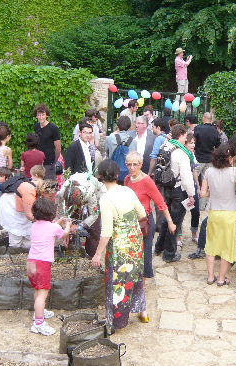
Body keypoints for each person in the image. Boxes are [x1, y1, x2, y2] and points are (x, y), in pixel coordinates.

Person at [92, 160, 148, 329]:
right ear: (117, 175)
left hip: (119, 247)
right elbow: (142, 213)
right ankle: (142, 311)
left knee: (118, 282)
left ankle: (118, 321)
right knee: (135, 276)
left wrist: (98, 253)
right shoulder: (127, 190)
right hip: (135, 242)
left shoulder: (106, 199)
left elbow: (107, 231)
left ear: (100, 176)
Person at [199, 144, 236, 286]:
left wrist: (213, 192)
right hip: (230, 213)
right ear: (231, 158)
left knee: (211, 244)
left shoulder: (209, 171)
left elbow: (203, 194)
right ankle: (221, 279)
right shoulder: (235, 172)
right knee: (226, 246)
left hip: (214, 212)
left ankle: (210, 276)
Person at [124, 151, 173, 283]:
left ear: (140, 165)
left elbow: (160, 202)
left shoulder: (147, 181)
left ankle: (143, 282)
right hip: (130, 221)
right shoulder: (127, 179)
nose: (132, 167)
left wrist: (169, 221)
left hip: (144, 221)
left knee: (145, 252)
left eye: (135, 164)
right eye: (129, 164)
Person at [28, 197, 71, 336]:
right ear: (51, 212)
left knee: (37, 290)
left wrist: (59, 222)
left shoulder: (34, 225)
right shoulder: (54, 227)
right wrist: (68, 225)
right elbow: (63, 233)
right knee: (43, 293)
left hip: (31, 263)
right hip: (42, 264)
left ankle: (38, 312)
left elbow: (50, 229)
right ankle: (38, 324)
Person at [154, 124, 195, 263]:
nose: (186, 139)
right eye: (185, 136)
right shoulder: (181, 153)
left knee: (167, 219)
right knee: (175, 222)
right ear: (181, 135)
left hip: (166, 187)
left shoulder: (166, 146)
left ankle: (159, 247)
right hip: (178, 189)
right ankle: (169, 253)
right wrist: (191, 194)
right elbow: (186, 177)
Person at [0, 165, 44, 249]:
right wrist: (44, 222)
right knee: (15, 242)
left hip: (21, 208)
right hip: (11, 207)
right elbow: (29, 215)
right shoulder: (29, 189)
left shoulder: (41, 186)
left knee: (28, 240)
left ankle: (21, 244)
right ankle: (13, 247)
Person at [33, 104, 61, 181]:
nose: (41, 117)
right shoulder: (36, 127)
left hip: (49, 162)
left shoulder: (53, 128)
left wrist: (53, 161)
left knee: (49, 185)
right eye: (39, 115)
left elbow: (58, 147)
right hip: (38, 161)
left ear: (47, 115)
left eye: (43, 115)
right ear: (36, 116)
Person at [193, 112, 220, 180]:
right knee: (206, 181)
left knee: (193, 179)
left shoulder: (197, 128)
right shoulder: (215, 131)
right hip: (209, 159)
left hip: (198, 158)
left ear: (203, 119)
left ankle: (196, 190)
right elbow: (217, 147)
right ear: (211, 120)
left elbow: (193, 141)